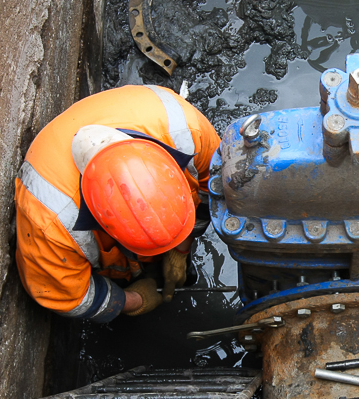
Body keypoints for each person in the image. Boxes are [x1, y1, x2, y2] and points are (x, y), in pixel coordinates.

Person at [15, 85, 221, 322]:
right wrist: (134, 300)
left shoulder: (188, 131)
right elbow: (68, 296)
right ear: (102, 223)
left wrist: (180, 250)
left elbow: (213, 189)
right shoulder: (50, 222)